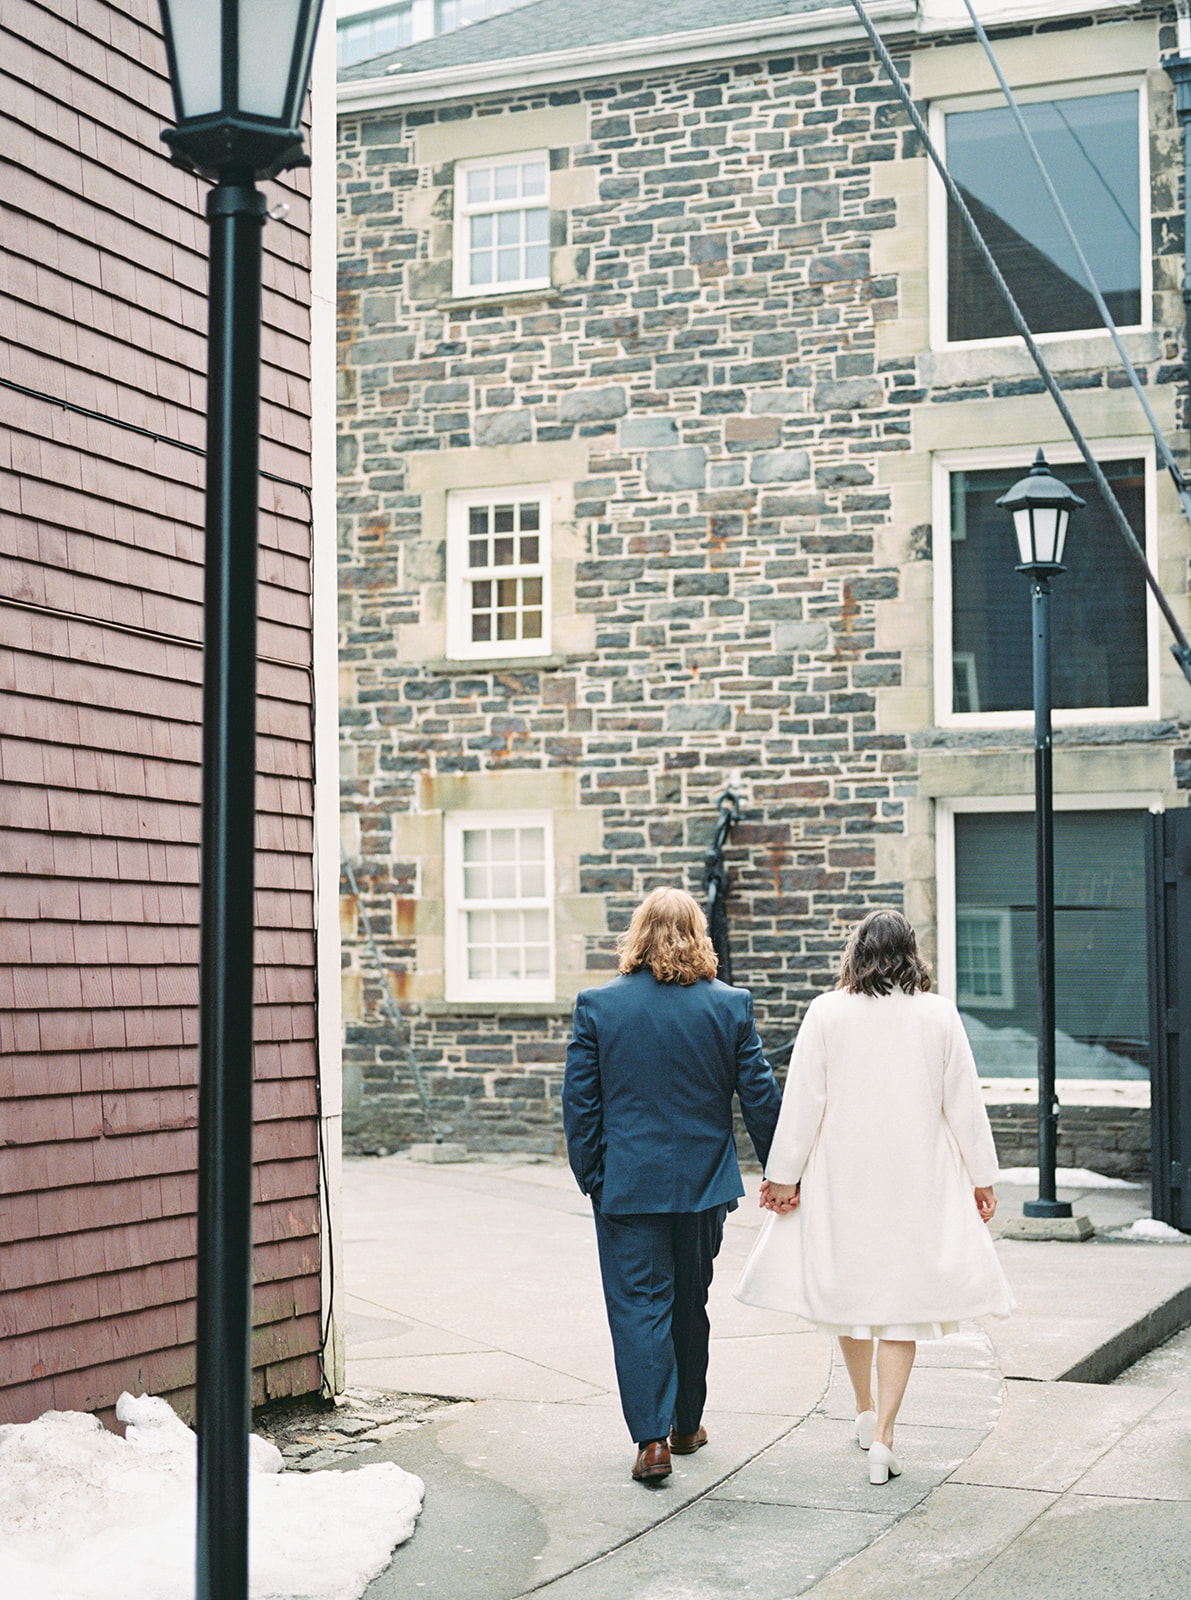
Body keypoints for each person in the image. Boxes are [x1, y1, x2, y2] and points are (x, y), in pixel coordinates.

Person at [734, 908, 1014, 1486]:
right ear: (912, 953)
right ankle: (883, 1434)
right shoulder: (938, 1014)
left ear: (856, 953)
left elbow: (803, 1102)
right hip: (918, 1177)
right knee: (900, 1307)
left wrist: (783, 1175)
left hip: (845, 1176)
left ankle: (862, 1410)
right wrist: (982, 1177)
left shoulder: (827, 1012)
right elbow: (965, 1102)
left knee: (852, 1293)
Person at [563, 886, 782, 1486]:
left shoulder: (598, 1007)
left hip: (628, 1189)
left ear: (636, 934)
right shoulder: (729, 1006)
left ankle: (653, 1442)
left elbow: (580, 1106)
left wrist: (594, 1179)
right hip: (703, 1188)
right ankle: (687, 1425)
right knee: (689, 1302)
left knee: (639, 1307)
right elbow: (760, 1097)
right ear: (699, 935)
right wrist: (783, 1173)